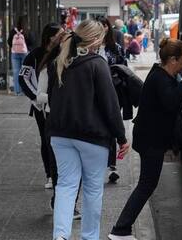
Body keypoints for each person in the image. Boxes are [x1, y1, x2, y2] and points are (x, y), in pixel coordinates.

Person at [108, 38, 182, 240]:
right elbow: (171, 102)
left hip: (149, 138)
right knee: (146, 185)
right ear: (173, 60)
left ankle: (121, 229)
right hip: (151, 140)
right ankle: (120, 230)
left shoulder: (161, 74)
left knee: (146, 184)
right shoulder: (160, 78)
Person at [48, 20, 130, 240]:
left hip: (60, 134)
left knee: (65, 185)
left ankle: (60, 236)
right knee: (93, 189)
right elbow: (110, 105)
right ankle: (89, 237)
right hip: (92, 137)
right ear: (95, 40)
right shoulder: (97, 64)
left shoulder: (60, 62)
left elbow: (52, 99)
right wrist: (121, 137)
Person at [18, 23, 66, 190]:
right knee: (47, 140)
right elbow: (23, 78)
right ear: (51, 37)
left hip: (60, 105)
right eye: (60, 34)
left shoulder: (63, 52)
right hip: (41, 106)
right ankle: (50, 174)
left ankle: (61, 173)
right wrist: (36, 98)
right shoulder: (34, 55)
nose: (63, 36)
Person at [97, 17, 127, 184]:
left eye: (105, 26)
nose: (103, 29)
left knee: (112, 126)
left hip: (114, 93)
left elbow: (124, 69)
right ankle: (100, 162)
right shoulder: (88, 49)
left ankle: (112, 166)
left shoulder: (115, 48)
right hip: (93, 96)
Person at [8, 17, 34, 96]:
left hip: (14, 53)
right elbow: (31, 41)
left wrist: (14, 47)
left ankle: (17, 91)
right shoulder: (26, 31)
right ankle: (25, 90)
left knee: (16, 72)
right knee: (25, 72)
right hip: (24, 53)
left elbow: (9, 41)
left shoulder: (13, 31)